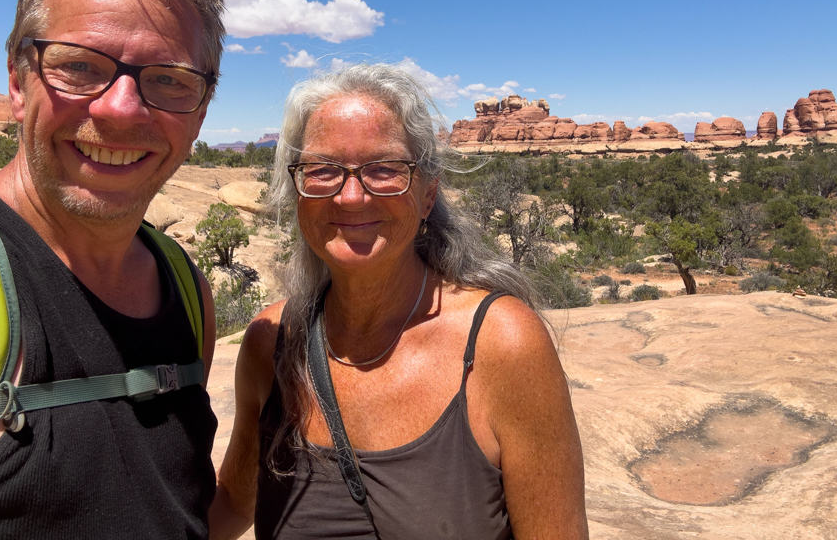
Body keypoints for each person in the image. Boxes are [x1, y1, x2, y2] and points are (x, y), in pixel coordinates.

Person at [0, 0, 226, 538]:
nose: (121, 108)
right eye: (79, 66)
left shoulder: (185, 286)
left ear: (202, 109)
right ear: (17, 82)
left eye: (169, 79)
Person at [211, 64, 588, 539]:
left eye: (384, 169)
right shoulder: (273, 342)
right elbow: (230, 505)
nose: (351, 197)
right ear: (297, 192)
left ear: (427, 194)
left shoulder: (501, 344)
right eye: (322, 170)